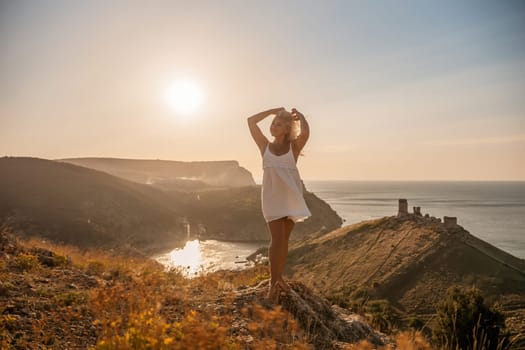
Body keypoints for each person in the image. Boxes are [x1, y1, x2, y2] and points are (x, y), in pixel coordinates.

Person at [247, 107, 312, 301]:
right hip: (272, 198)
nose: (273, 126)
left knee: (283, 240)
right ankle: (273, 283)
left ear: (286, 130)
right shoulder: (264, 146)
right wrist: (271, 111)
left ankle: (279, 278)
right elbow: (250, 121)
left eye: (278, 124)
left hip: (291, 197)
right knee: (276, 240)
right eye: (273, 123)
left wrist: (299, 116)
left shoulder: (293, 148)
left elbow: (306, 132)